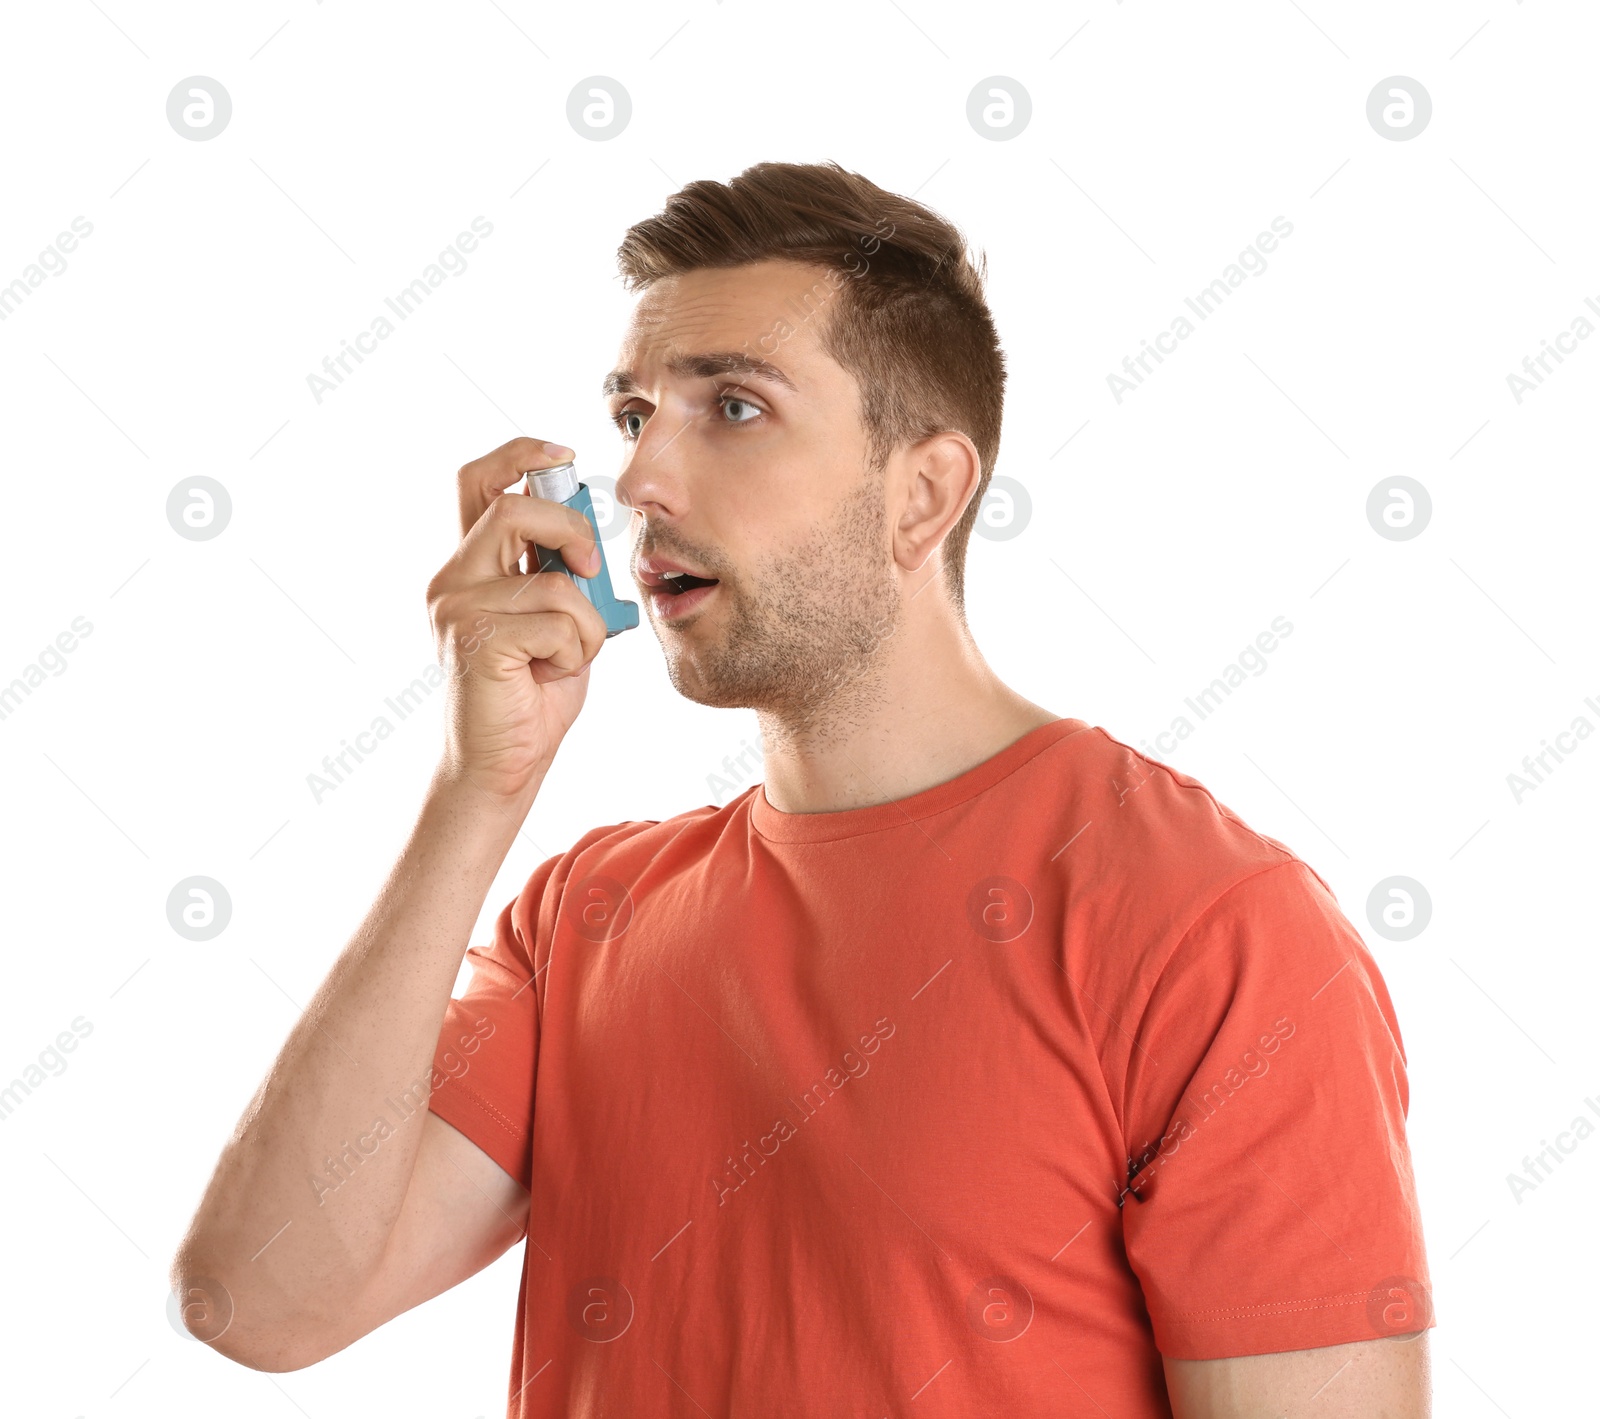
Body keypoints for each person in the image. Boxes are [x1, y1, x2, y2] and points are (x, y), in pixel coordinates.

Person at [171, 161, 1432, 1417]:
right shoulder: (585, 917)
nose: (640, 483)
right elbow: (260, 1306)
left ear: (923, 493)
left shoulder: (1213, 927)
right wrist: (478, 788)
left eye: (731, 407)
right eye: (632, 416)